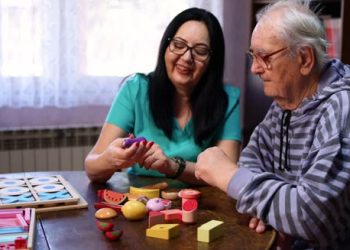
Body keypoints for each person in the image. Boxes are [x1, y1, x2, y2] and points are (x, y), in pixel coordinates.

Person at [194, 0, 350, 249]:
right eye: (253, 56)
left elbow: (312, 216)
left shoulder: (343, 109)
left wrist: (228, 175)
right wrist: (277, 214)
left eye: (264, 56)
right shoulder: (286, 102)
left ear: (304, 59)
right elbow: (252, 163)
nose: (255, 68)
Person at [85, 7, 241, 184]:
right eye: (179, 45)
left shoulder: (228, 99)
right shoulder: (135, 88)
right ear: (166, 47)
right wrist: (110, 159)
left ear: (213, 60)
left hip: (199, 205)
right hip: (139, 201)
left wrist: (172, 166)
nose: (187, 57)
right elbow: (92, 168)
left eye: (200, 51)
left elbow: (227, 176)